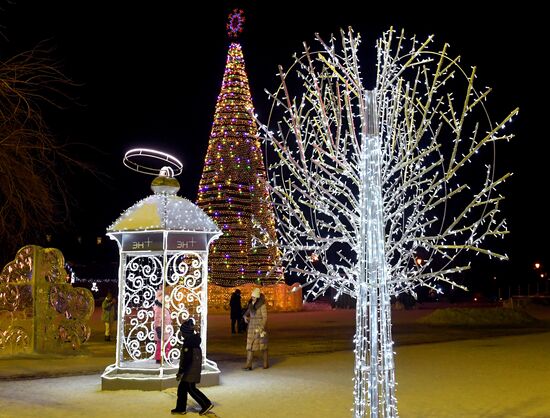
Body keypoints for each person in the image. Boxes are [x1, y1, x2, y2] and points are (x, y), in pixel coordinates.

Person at [172, 318, 214, 416]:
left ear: (186, 332)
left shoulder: (189, 343)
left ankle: (206, 404)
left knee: (191, 389)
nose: (181, 334)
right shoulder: (192, 341)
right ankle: (180, 408)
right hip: (191, 370)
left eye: (182, 332)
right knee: (182, 388)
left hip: (190, 371)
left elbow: (186, 360)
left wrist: (181, 371)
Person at [242, 287, 269, 370]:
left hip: (259, 327)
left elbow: (265, 317)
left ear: (257, 297)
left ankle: (265, 363)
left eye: (254, 297)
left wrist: (261, 327)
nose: (252, 298)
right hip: (251, 327)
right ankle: (248, 364)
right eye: (252, 297)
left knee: (262, 346)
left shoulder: (262, 305)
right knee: (250, 346)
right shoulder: (251, 305)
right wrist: (245, 317)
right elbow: (246, 313)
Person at [153, 289, 172, 364]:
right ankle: (159, 358)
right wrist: (158, 328)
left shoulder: (164, 308)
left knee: (167, 344)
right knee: (161, 344)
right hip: (162, 330)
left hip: (166, 330)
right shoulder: (159, 309)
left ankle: (166, 356)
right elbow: (157, 319)